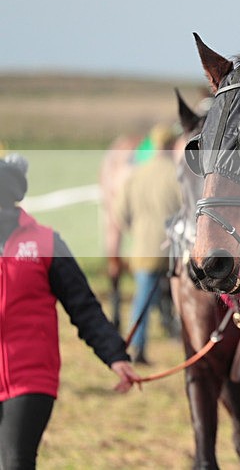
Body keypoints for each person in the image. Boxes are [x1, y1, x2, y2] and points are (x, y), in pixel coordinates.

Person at [0, 154, 140, 469]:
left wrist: (115, 355)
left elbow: (83, 305)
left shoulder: (45, 243)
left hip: (29, 379)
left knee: (15, 461)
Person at [113, 123, 182, 363]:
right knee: (179, 299)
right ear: (172, 144)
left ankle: (137, 346)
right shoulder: (178, 175)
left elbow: (120, 214)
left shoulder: (136, 174)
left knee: (141, 300)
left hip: (143, 249)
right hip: (173, 251)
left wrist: (137, 231)